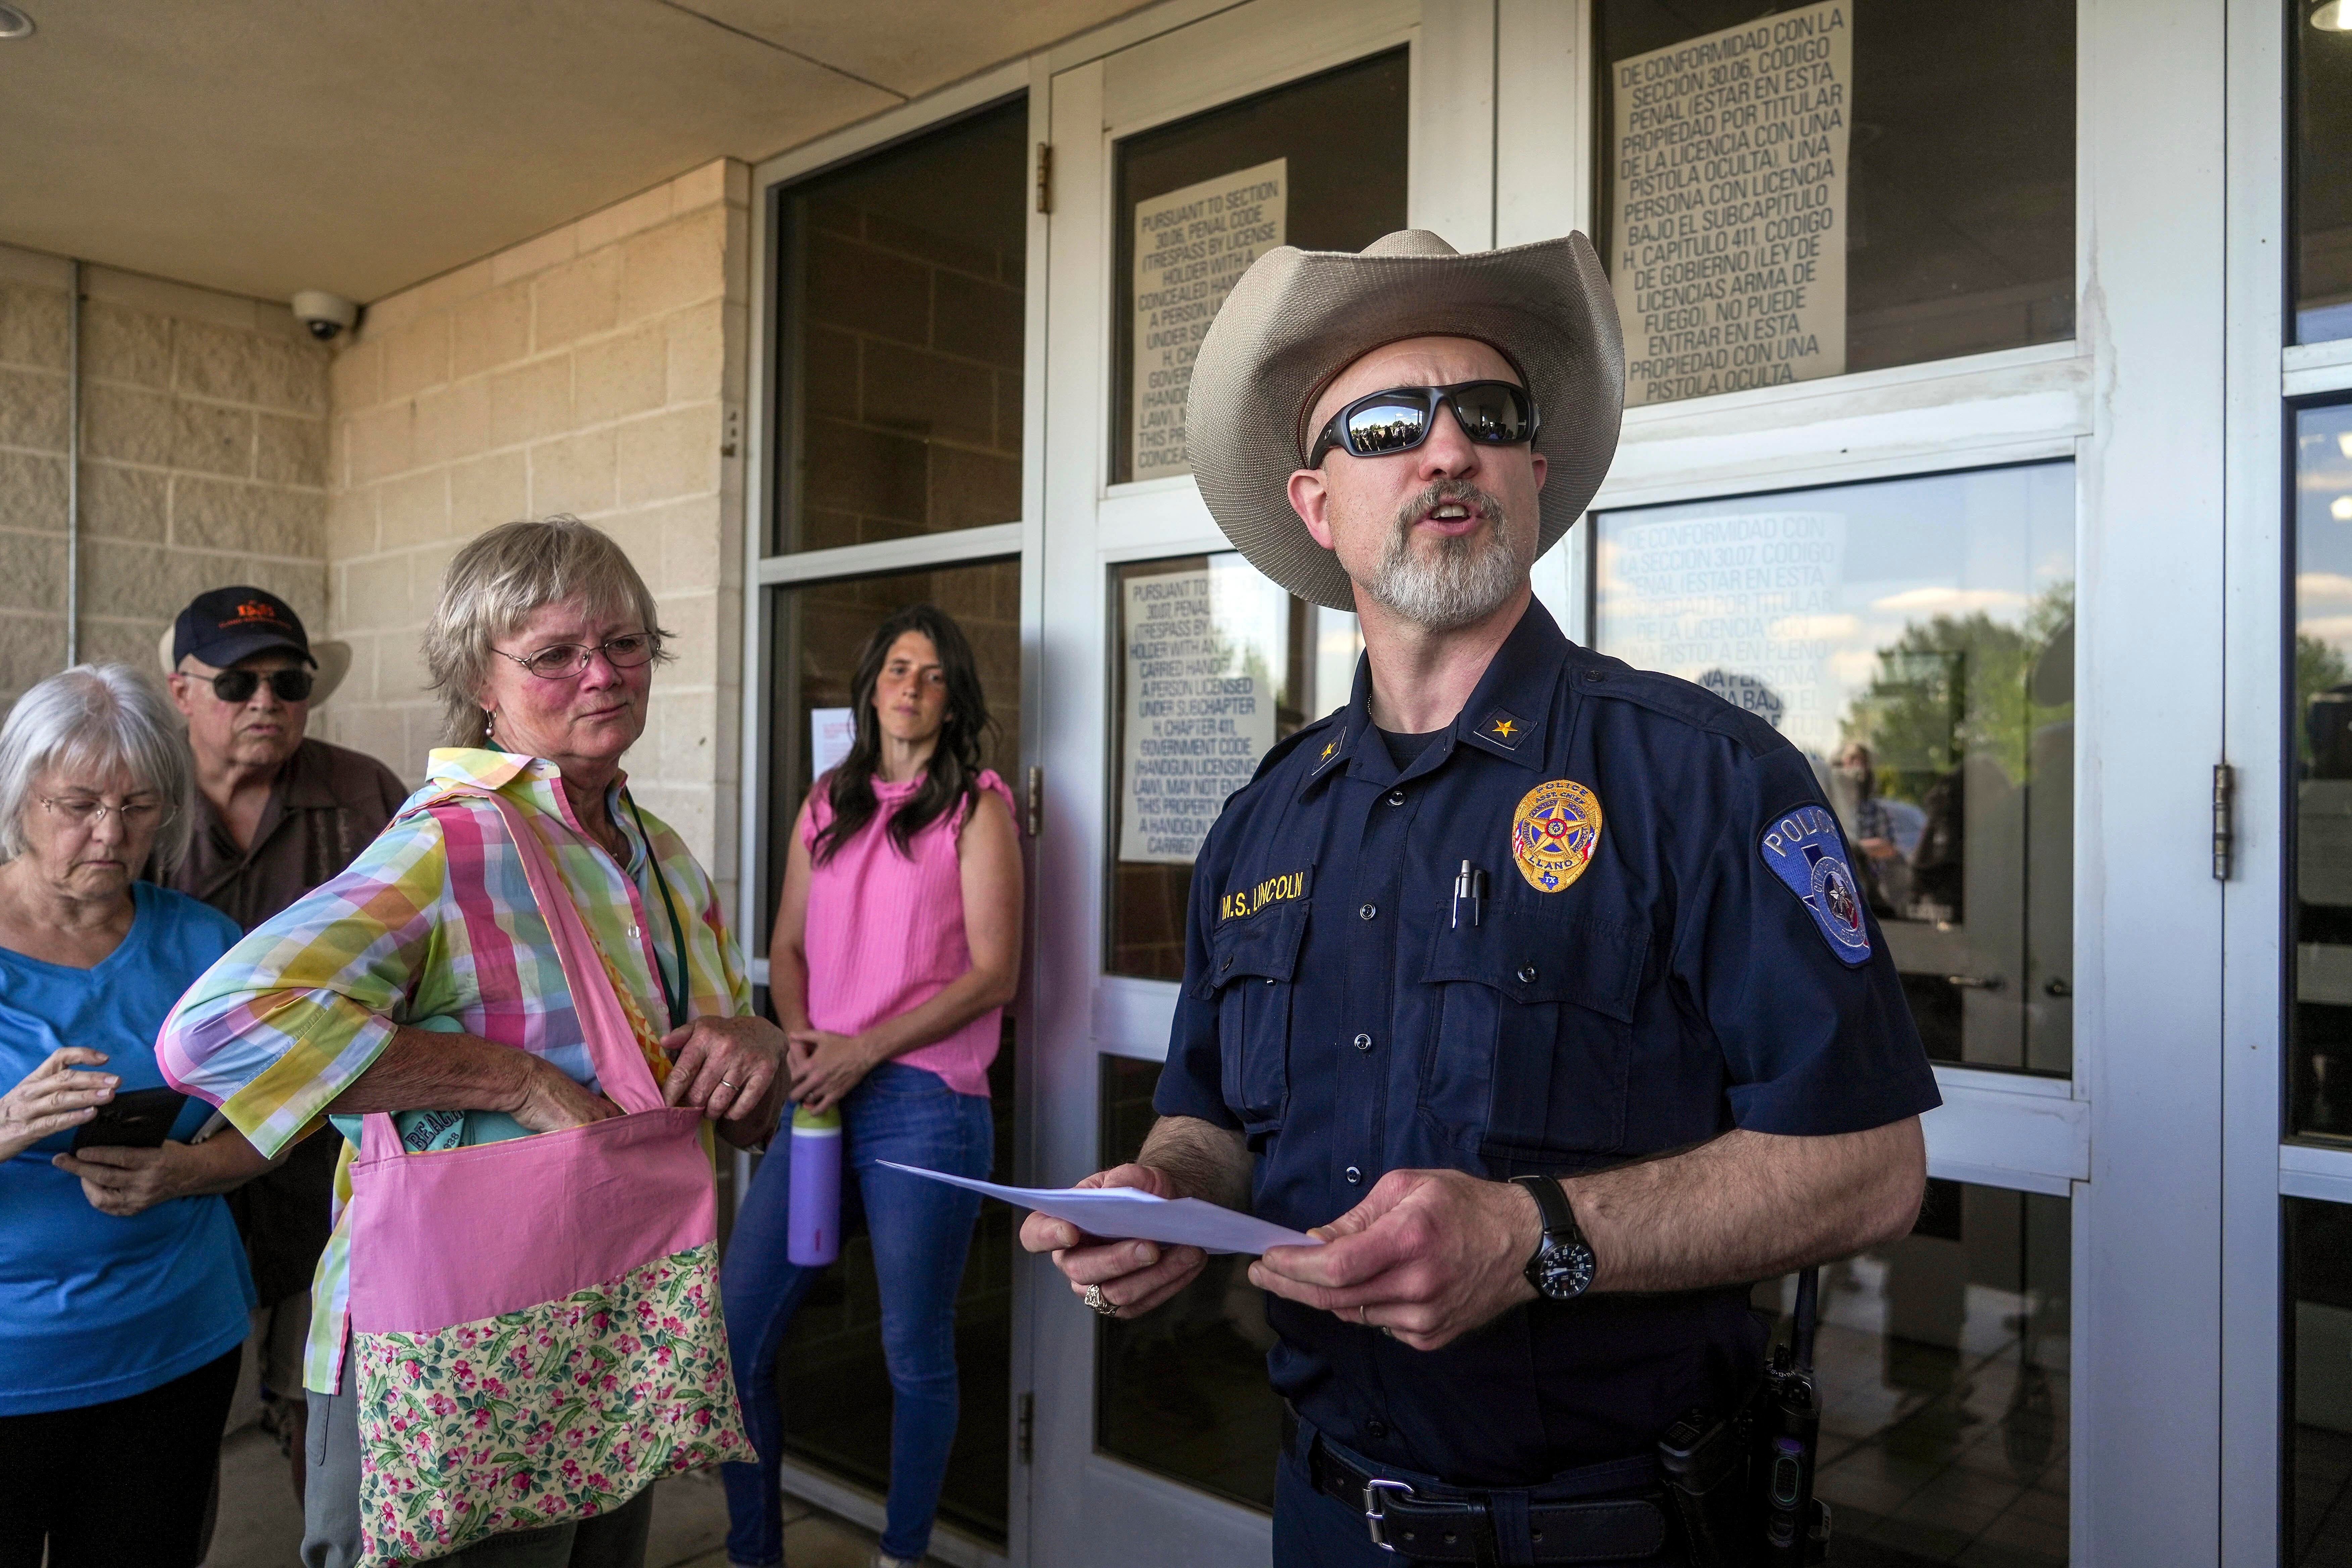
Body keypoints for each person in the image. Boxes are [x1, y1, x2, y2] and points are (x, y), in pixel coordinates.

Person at [1023, 231, 1942, 1566]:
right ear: (1316, 502)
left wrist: (1533, 1235)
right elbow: (1210, 1115)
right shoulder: (1262, 818)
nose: (1447, 449)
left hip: (1620, 1531)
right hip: (1327, 1516)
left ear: (1533, 473)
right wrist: (1161, 1197)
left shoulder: (1706, 776)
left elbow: (1872, 1171)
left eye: (1489, 416)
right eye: (1391, 422)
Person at [160, 517, 790, 1568]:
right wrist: (519, 1081)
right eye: (554, 655)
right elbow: (214, 1031)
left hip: (614, 1334)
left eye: (624, 644)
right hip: (448, 1353)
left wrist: (759, 1044)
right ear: (481, 687)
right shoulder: (449, 847)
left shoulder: (665, 862)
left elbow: (740, 1110)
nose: (602, 675)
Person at [722, 604, 1022, 1568]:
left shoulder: (978, 807)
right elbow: (786, 944)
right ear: (871, 686)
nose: (912, 685)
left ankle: (900, 1554)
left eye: (933, 674)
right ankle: (753, 1553)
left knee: (914, 1351)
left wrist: (865, 1049)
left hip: (926, 1100)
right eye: (898, 667)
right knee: (735, 1339)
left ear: (953, 698)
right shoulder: (828, 801)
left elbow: (993, 974)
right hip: (819, 1096)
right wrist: (807, 1040)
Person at [0, 665, 265, 1567]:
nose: (111, 835)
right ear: (21, 796)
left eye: (141, 808)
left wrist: (190, 1171)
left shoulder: (204, 942)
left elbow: (282, 1120)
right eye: (77, 805)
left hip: (171, 1342)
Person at [159, 585, 410, 1500]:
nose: (266, 700)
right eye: (237, 683)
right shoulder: (142, 800)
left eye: (288, 681)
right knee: (175, 1427)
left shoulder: (364, 793)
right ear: (184, 692)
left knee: (333, 1410)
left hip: (329, 1161)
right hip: (176, 1165)